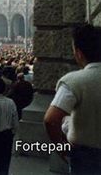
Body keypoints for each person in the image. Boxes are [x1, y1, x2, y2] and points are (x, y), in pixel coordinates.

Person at [44, 24, 101, 175]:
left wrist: (62, 149)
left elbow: (51, 120)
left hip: (86, 157)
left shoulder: (74, 81)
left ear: (79, 53)